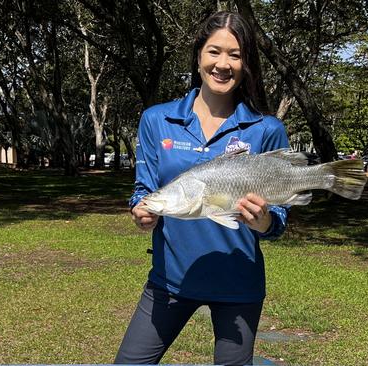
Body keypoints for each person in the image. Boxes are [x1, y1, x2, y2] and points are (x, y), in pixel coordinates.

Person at [115, 11, 290, 366]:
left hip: (238, 284)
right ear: (198, 56)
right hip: (169, 281)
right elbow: (143, 189)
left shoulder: (265, 129)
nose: (222, 64)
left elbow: (280, 219)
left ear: (246, 64)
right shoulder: (157, 120)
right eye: (214, 51)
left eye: (235, 55)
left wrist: (264, 223)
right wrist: (140, 210)